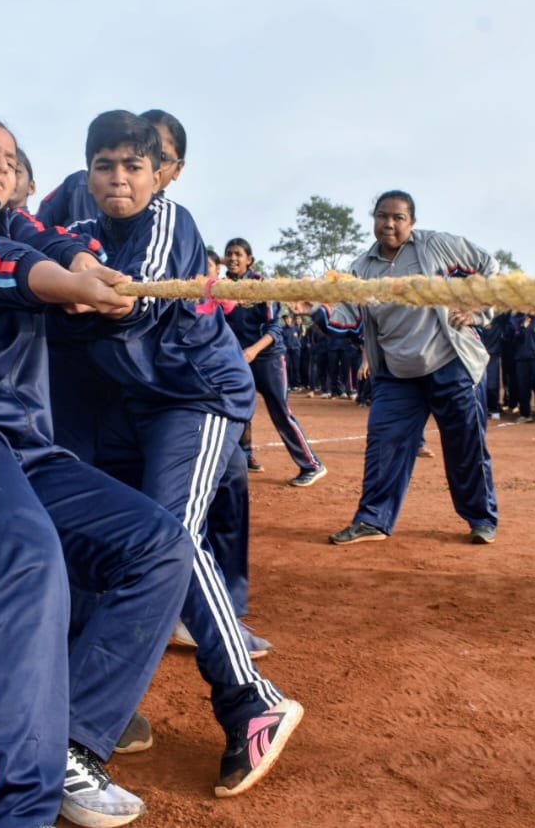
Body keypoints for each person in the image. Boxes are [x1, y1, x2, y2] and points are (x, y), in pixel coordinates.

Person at [0, 115, 194, 827]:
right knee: (24, 559)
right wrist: (62, 278)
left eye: (11, 156)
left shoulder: (21, 225)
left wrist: (88, 273)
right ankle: (15, 811)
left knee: (160, 544)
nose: (0, 163)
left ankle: (73, 744)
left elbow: (58, 245)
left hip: (25, 445)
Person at [40, 109, 302, 798]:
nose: (118, 178)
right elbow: (55, 265)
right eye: (104, 165)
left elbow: (137, 301)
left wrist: (86, 291)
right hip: (136, 404)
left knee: (169, 538)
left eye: (133, 165)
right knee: (119, 541)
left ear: (160, 174)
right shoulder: (83, 234)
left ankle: (250, 699)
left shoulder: (170, 222)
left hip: (199, 396)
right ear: (86, 173)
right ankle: (104, 698)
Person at [295, 189, 500, 545]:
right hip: (396, 372)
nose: (389, 224)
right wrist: (316, 309)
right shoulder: (361, 269)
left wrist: (478, 309)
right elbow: (350, 316)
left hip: (449, 363)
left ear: (412, 222)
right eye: (381, 216)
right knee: (384, 445)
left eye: (398, 217)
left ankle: (481, 518)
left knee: (465, 447)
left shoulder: (436, 245)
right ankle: (373, 519)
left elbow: (489, 265)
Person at [223, 237, 327, 487]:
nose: (233, 258)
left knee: (280, 411)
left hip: (267, 357)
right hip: (239, 357)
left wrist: (253, 351)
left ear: (249, 260)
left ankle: (311, 464)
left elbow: (274, 327)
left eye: (238, 254)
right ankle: (245, 457)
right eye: (229, 254)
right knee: (238, 409)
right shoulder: (221, 287)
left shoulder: (263, 287)